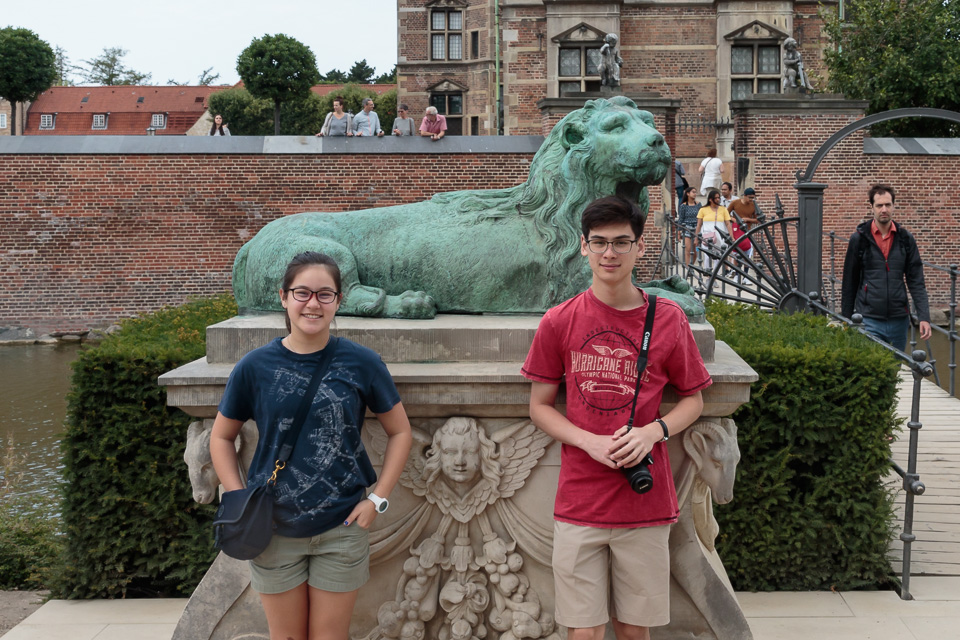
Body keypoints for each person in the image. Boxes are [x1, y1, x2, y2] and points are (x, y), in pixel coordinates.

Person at [522, 195, 711, 640]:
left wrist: (652, 433)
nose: (610, 253)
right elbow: (539, 406)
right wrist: (588, 441)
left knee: (632, 630)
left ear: (640, 247)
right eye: (600, 242)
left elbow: (693, 400)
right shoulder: (559, 321)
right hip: (580, 500)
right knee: (583, 632)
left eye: (622, 242)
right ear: (583, 246)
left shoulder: (668, 319)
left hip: (643, 500)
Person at [210, 251, 413, 640]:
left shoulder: (362, 362)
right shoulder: (254, 367)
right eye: (302, 293)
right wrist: (239, 500)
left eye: (325, 294)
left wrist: (378, 499)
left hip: (342, 527)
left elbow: (400, 432)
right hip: (272, 529)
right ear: (283, 297)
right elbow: (221, 437)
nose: (313, 304)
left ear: (338, 301)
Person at [841, 184, 932, 350]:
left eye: (888, 205)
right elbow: (849, 282)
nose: (884, 209)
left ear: (893, 206)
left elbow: (916, 281)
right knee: (872, 363)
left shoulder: (905, 239)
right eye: (879, 205)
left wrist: (924, 316)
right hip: (868, 318)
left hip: (899, 319)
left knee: (895, 364)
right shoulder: (859, 239)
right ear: (872, 207)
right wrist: (846, 319)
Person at [695, 189, 733, 270]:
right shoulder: (703, 209)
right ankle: (708, 273)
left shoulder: (723, 209)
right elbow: (699, 225)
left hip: (720, 236)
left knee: (718, 256)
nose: (718, 199)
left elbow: (728, 224)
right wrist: (696, 237)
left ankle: (715, 275)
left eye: (719, 197)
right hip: (707, 235)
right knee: (707, 255)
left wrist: (731, 236)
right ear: (710, 199)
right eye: (716, 198)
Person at [727, 187, 761, 260]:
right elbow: (726, 214)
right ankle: (736, 267)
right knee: (736, 252)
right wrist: (733, 219)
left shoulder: (753, 205)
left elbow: (757, 220)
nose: (751, 199)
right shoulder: (735, 202)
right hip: (736, 230)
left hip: (747, 230)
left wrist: (747, 219)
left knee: (747, 253)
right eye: (750, 197)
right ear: (744, 196)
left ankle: (746, 267)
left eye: (753, 198)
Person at [677, 186, 700, 267]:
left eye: (695, 192)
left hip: (696, 228)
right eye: (693, 192)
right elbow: (681, 219)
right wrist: (679, 232)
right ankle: (688, 268)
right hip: (687, 228)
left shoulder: (698, 204)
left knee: (695, 251)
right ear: (688, 194)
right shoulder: (683, 206)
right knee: (688, 250)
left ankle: (691, 266)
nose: (695, 194)